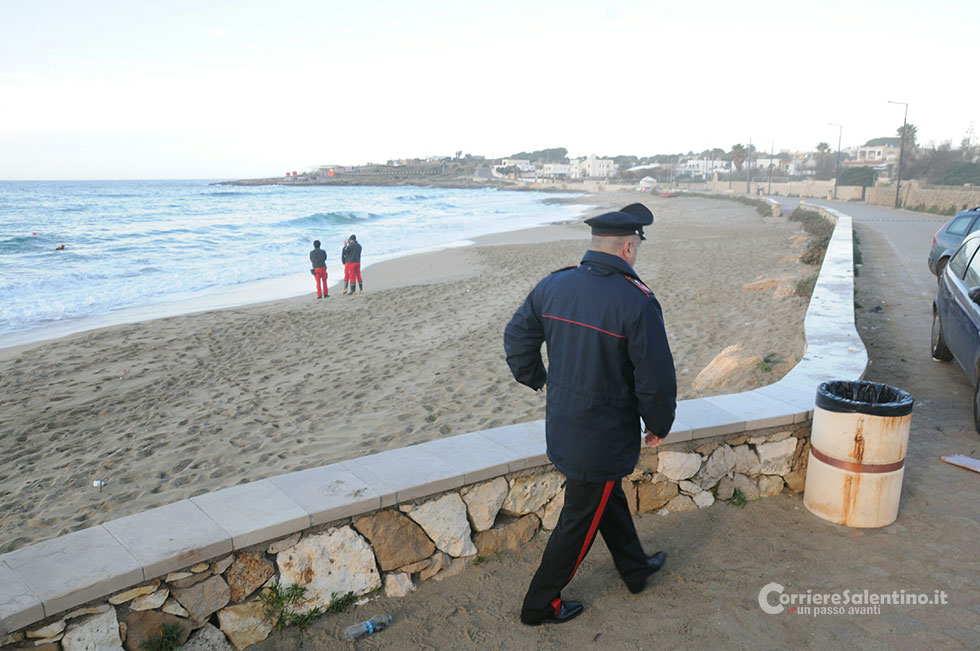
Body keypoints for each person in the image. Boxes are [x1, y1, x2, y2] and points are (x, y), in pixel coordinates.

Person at [503, 203, 677, 626]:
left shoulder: (555, 285)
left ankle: (634, 569)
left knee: (603, 496)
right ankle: (539, 604)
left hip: (564, 426)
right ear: (628, 248)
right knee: (579, 521)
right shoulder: (637, 302)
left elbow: (516, 337)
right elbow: (655, 377)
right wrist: (658, 424)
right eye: (635, 246)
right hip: (602, 436)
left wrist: (538, 379)